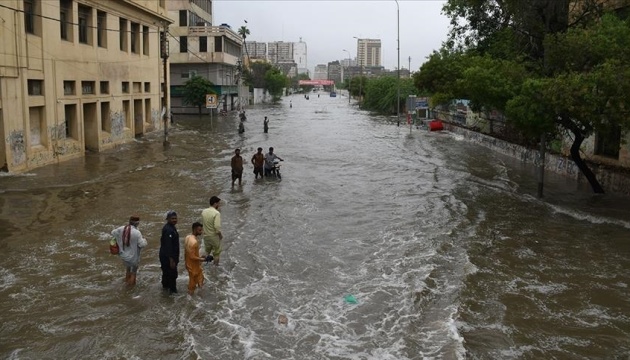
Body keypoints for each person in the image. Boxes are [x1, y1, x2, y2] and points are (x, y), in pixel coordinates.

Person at [111, 215, 147, 287]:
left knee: (128, 270)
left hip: (123, 255)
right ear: (137, 223)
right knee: (133, 273)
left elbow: (113, 232)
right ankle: (130, 289)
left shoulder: (122, 228)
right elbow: (141, 244)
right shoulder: (137, 232)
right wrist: (145, 240)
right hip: (133, 258)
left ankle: (127, 283)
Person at [184, 222, 210, 295]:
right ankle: (191, 300)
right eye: (199, 230)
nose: (201, 232)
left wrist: (201, 257)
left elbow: (187, 252)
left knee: (201, 280)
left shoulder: (188, 237)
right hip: (193, 266)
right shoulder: (194, 242)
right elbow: (192, 257)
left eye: (201, 230)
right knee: (192, 286)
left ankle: (199, 298)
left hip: (189, 264)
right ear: (195, 229)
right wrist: (204, 259)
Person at [159, 211, 180, 294]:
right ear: (167, 219)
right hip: (168, 258)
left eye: (175, 218)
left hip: (166, 256)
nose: (174, 220)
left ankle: (165, 290)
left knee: (166, 274)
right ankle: (172, 293)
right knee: (172, 275)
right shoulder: (168, 230)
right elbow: (168, 246)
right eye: (172, 219)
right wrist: (171, 260)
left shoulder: (171, 227)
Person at [202, 196, 223, 266]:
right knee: (216, 253)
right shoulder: (216, 213)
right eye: (218, 204)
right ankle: (215, 268)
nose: (219, 205)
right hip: (214, 236)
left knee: (206, 252)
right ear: (215, 203)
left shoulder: (204, 212)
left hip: (205, 236)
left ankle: (200, 265)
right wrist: (220, 235)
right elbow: (217, 228)